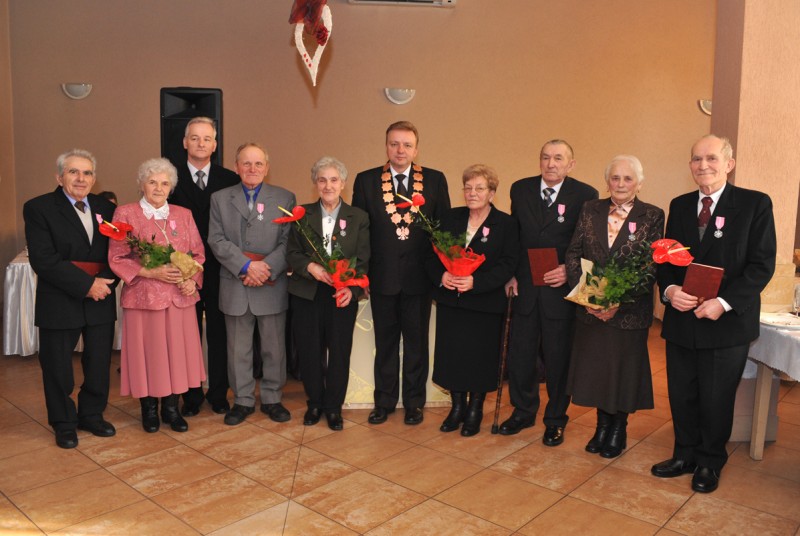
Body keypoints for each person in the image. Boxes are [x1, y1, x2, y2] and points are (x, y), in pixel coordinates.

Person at [652, 135, 776, 493]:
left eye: (710, 158)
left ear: (729, 164)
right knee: (682, 394)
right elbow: (665, 259)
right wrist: (671, 291)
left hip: (726, 323)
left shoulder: (754, 204)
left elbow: (760, 266)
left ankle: (709, 461)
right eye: (695, 159)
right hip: (682, 320)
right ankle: (684, 454)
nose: (702, 165)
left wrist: (722, 303)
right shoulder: (679, 205)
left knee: (716, 397)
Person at [565, 155, 664, 458]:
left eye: (628, 179)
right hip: (591, 308)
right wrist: (592, 298)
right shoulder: (590, 208)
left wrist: (616, 301)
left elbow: (650, 264)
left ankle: (618, 428)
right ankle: (601, 426)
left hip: (629, 312)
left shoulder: (652, 215)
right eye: (615, 178)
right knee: (597, 371)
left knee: (622, 371)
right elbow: (574, 253)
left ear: (639, 183)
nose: (620, 184)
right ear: (606, 182)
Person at [500, 140, 598, 446]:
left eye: (558, 158)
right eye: (545, 157)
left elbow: (588, 244)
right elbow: (514, 237)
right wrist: (511, 274)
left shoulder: (585, 195)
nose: (551, 163)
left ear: (571, 164)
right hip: (526, 286)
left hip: (561, 290)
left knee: (559, 358)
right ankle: (523, 410)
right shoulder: (520, 189)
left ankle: (555, 419)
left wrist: (569, 271)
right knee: (521, 355)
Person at [352, 121, 450, 425]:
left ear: (416, 148)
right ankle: (383, 402)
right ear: (386, 146)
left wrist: (441, 273)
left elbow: (442, 232)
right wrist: (361, 274)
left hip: (420, 279)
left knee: (417, 344)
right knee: (386, 344)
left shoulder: (434, 180)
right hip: (382, 278)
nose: (400, 150)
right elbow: (359, 232)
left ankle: (414, 402)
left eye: (407, 144)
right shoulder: (366, 180)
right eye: (394, 144)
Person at [23, 149, 118, 449]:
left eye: (87, 173)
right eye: (73, 172)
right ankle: (63, 422)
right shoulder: (38, 208)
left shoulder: (108, 208)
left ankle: (91, 414)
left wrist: (101, 282)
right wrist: (86, 285)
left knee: (99, 362)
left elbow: (118, 251)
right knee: (57, 364)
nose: (81, 178)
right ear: (59, 176)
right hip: (59, 296)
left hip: (101, 294)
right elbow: (44, 259)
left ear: (94, 177)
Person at [108, 158, 206, 433]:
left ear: (171, 187)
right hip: (144, 297)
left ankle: (172, 409)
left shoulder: (183, 214)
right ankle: (149, 410)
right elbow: (116, 257)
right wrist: (151, 273)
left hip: (180, 297)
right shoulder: (125, 214)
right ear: (142, 184)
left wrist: (192, 281)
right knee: (148, 355)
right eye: (152, 182)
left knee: (176, 354)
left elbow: (198, 253)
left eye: (164, 183)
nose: (158, 188)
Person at [426, 164, 519, 436]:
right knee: (452, 356)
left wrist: (476, 282)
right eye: (468, 187)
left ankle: (475, 409)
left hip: (485, 304)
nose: (472, 193)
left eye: (479, 188)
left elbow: (508, 263)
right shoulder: (449, 218)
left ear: (491, 193)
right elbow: (429, 255)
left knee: (479, 358)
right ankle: (457, 407)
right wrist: (442, 276)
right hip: (451, 301)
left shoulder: (506, 224)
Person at [208, 142, 295, 426]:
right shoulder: (220, 198)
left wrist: (264, 268)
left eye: (258, 164)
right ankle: (243, 400)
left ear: (267, 168)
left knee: (274, 347)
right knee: (237, 349)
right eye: (246, 163)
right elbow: (216, 239)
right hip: (235, 282)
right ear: (236, 167)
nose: (252, 169)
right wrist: (246, 266)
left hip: (270, 282)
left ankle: (272, 398)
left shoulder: (285, 197)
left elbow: (288, 242)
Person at [286, 157, 370, 431]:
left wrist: (351, 287)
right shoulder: (301, 214)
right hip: (307, 293)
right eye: (322, 180)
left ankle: (334, 407)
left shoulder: (358, 217)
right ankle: (315, 403)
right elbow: (292, 253)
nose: (328, 185)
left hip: (341, 295)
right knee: (309, 351)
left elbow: (364, 259)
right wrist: (309, 266)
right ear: (315, 184)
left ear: (343, 183)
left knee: (339, 351)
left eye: (334, 180)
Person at [168, 116, 240, 417]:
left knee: (221, 333)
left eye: (207, 138)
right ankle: (192, 395)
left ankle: (219, 392)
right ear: (185, 142)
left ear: (215, 144)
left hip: (220, 268)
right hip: (183, 270)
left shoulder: (228, 179)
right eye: (194, 138)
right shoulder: (167, 178)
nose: (201, 143)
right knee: (188, 333)